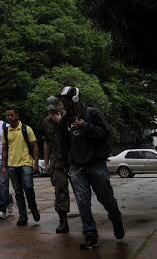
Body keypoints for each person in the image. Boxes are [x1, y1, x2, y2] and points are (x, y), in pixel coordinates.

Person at [57, 86, 124, 250]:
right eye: (62, 100)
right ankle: (90, 235)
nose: (63, 103)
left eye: (65, 100)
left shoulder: (92, 113)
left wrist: (86, 126)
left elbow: (106, 134)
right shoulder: (65, 121)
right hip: (77, 166)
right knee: (82, 200)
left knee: (105, 197)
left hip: (96, 163)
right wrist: (65, 164)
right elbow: (63, 145)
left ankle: (115, 216)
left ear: (75, 99)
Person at [1, 108, 40, 226]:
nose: (9, 117)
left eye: (11, 115)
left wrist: (35, 163)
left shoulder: (26, 129)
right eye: (7, 116)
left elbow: (35, 146)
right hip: (12, 165)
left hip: (26, 163)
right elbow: (4, 149)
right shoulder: (5, 131)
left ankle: (33, 207)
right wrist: (4, 165)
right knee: (18, 192)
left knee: (28, 187)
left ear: (17, 116)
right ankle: (23, 216)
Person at [41, 96, 70, 234]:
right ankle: (63, 221)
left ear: (60, 105)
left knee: (82, 192)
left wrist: (61, 123)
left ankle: (87, 220)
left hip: (73, 160)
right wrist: (46, 162)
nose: (52, 112)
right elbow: (46, 142)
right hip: (57, 161)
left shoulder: (69, 117)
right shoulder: (46, 122)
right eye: (50, 110)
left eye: (54, 108)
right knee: (60, 191)